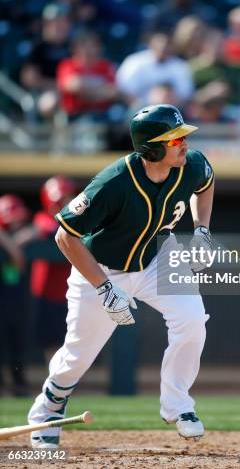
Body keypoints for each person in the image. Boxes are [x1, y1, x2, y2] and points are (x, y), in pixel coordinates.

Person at [28, 103, 214, 446]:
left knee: (191, 319)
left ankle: (178, 404)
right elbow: (64, 235)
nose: (184, 143)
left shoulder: (192, 164)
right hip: (101, 268)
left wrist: (201, 229)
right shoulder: (114, 182)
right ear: (152, 147)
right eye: (175, 139)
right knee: (79, 354)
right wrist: (104, 288)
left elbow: (206, 185)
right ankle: (47, 410)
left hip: (158, 255)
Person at [19, 177, 76, 364]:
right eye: (61, 199)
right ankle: (55, 381)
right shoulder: (42, 219)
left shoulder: (80, 220)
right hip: (46, 295)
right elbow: (51, 227)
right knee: (50, 343)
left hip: (71, 294)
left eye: (68, 198)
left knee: (71, 342)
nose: (64, 203)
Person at [0, 194, 30, 396]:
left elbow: (19, 262)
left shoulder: (26, 235)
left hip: (18, 304)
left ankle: (19, 386)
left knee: (17, 347)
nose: (16, 222)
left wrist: (12, 242)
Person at [116, 32, 194, 109]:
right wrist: (144, 109)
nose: (164, 48)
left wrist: (166, 106)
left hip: (170, 110)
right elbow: (125, 90)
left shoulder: (180, 66)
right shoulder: (134, 62)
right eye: (160, 46)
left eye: (167, 46)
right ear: (151, 45)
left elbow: (185, 94)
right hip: (139, 109)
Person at [56, 29, 119, 121]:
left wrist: (86, 92)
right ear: (75, 48)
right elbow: (72, 85)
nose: (88, 50)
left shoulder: (105, 66)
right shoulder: (68, 64)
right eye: (84, 46)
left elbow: (114, 91)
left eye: (92, 45)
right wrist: (100, 92)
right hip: (76, 114)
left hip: (103, 114)